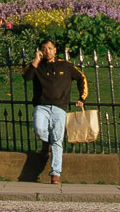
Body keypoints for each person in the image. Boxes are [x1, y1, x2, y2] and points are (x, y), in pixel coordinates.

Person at [23, 38, 87, 185]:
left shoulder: (65, 65)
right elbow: (27, 77)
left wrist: (82, 98)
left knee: (58, 140)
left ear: (55, 50)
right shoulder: (37, 66)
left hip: (59, 107)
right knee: (39, 129)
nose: (47, 51)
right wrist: (35, 60)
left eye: (50, 48)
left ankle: (55, 173)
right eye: (44, 49)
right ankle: (46, 144)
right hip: (41, 106)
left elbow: (81, 78)